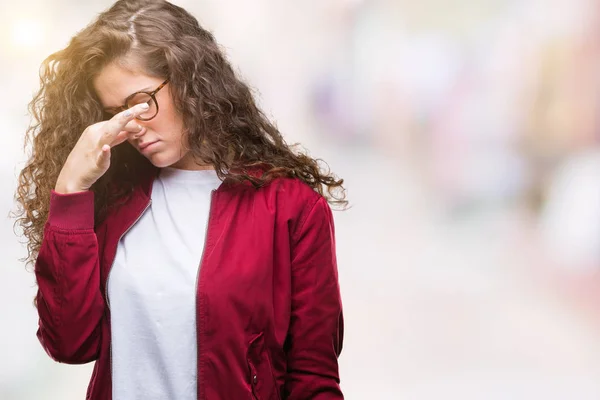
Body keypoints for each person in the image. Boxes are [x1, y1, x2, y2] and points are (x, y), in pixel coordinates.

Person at [13, 1, 347, 399]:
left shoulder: (291, 207)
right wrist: (70, 192)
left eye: (141, 103)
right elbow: (69, 343)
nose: (133, 126)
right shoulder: (113, 197)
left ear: (190, 79)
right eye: (116, 113)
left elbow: (314, 379)